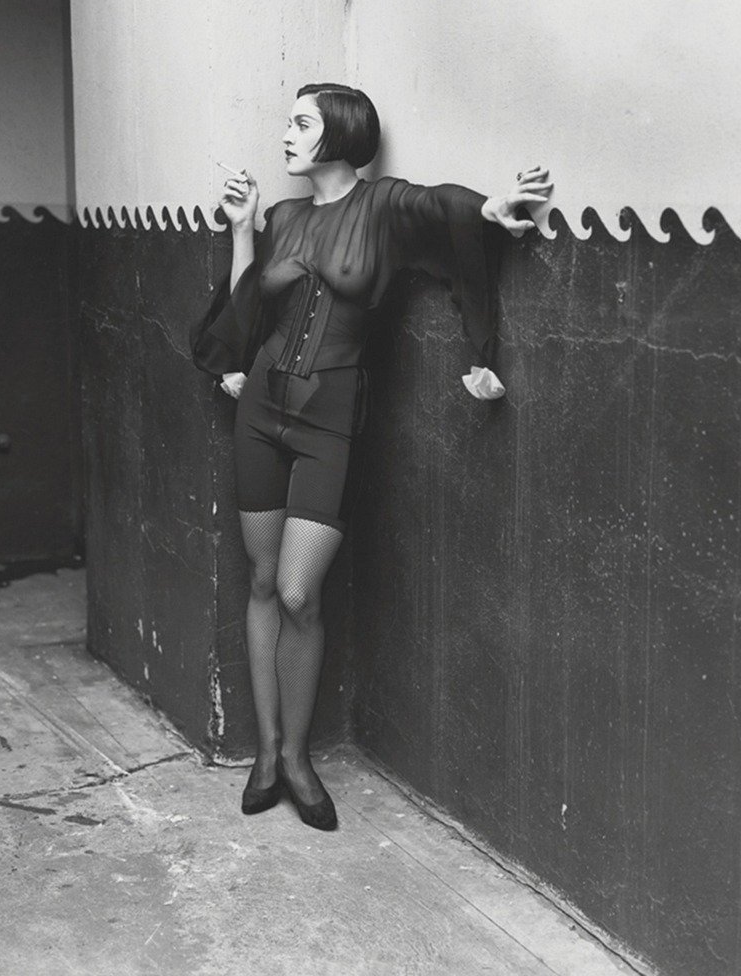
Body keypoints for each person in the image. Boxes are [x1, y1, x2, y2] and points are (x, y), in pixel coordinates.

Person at [190, 83, 553, 831]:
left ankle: (298, 759)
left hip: (329, 421)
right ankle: (268, 754)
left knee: (298, 593)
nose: (286, 134)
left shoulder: (381, 205)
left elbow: (442, 207)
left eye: (301, 123)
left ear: (342, 132)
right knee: (261, 581)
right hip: (259, 413)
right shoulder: (283, 216)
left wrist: (491, 208)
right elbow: (246, 307)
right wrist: (241, 231)